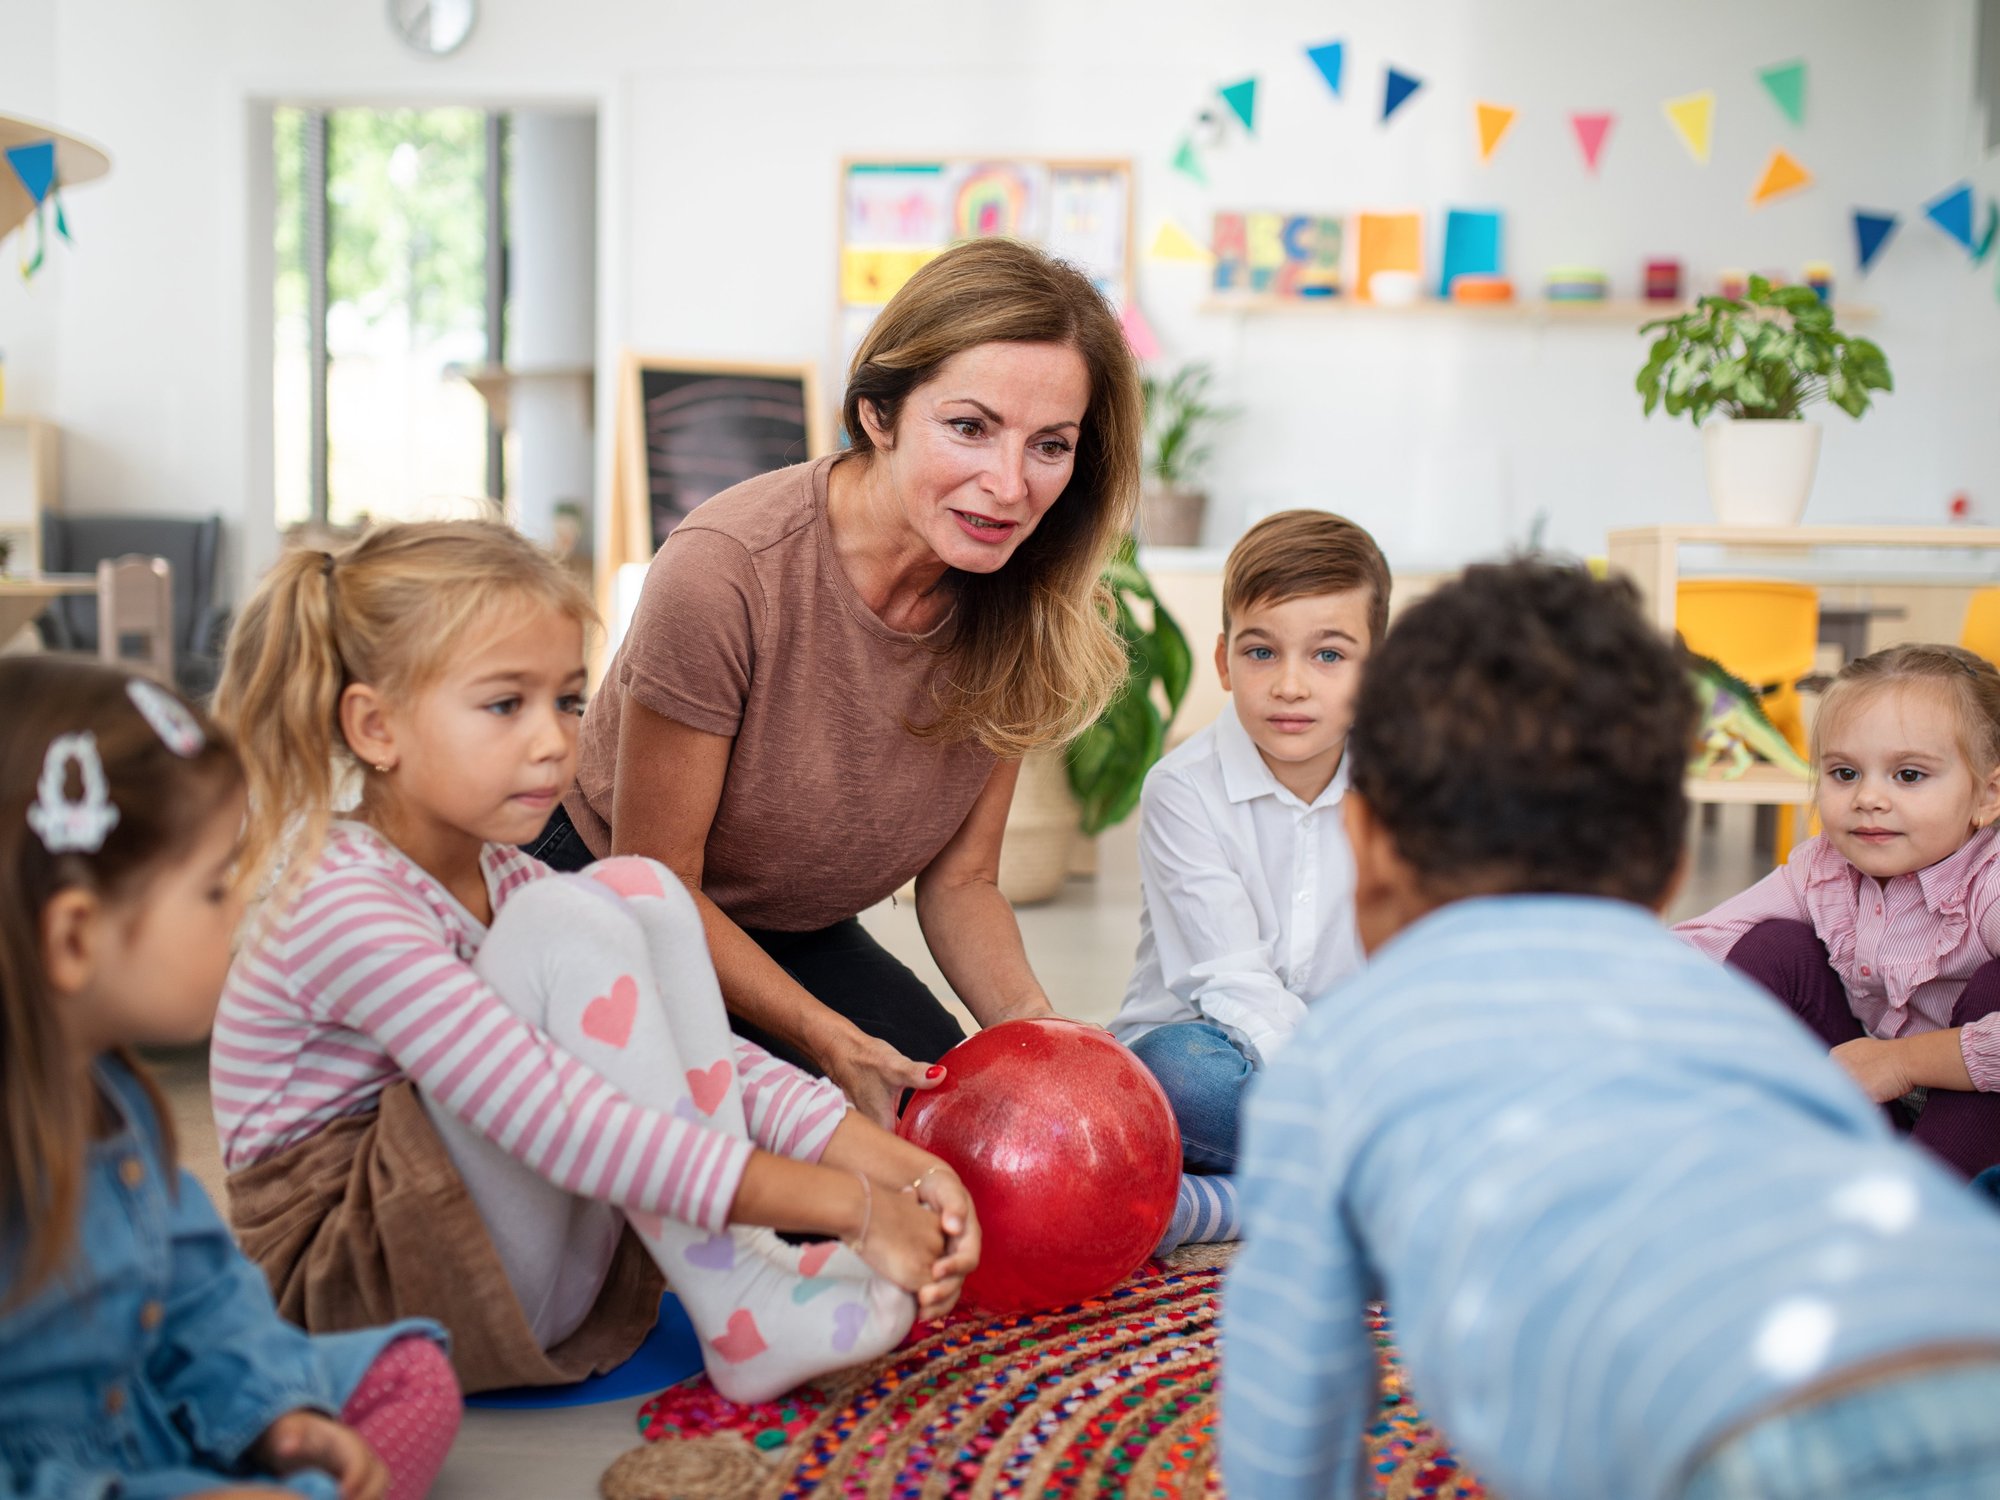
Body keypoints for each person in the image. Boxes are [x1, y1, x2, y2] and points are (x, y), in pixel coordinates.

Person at [1223, 562, 2000, 1500]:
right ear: (1674, 867)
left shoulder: (1339, 1056)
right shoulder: (1728, 1018)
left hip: (1735, 1445)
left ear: (1365, 843)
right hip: (1963, 1333)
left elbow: (1290, 1399)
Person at [208, 522, 979, 1402]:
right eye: (506, 704)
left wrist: (896, 1166)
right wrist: (848, 1206)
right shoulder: (342, 900)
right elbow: (562, 1120)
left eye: (569, 701)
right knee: (574, 916)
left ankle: (746, 1288)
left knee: (639, 890)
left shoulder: (504, 873)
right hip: (360, 1298)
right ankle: (743, 1290)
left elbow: (695, 1060)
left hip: (496, 1263)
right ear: (374, 727)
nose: (551, 742)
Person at [531, 238, 1142, 1126]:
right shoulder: (727, 570)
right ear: (879, 415)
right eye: (970, 427)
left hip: (792, 935)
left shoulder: (1024, 604)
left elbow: (964, 881)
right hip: (613, 901)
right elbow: (655, 878)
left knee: (963, 1131)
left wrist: (1035, 1032)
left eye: (1050, 445)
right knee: (797, 1172)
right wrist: (827, 1040)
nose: (1009, 485)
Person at [0, 658, 460, 1500]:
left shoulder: (114, 1101)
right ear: (73, 938)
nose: (242, 904)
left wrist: (271, 1412)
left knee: (412, 1372)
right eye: (215, 888)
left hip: (155, 1415)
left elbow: (200, 1289)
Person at [1108, 510, 1385, 1255]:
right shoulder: (1182, 790)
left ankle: (1231, 1204)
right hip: (1217, 1049)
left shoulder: (1405, 789)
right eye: (1263, 652)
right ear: (1226, 661)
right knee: (1181, 1078)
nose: (1290, 685)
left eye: (1328, 656)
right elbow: (1230, 979)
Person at [1677, 644, 2000, 1179]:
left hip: (1977, 1119)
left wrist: (1901, 1063)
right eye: (1845, 774)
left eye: (1909, 775)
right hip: (1876, 1099)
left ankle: (1925, 1218)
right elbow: (1701, 944)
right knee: (1772, 947)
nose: (1868, 798)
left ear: (1987, 797)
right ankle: (1716, 1139)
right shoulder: (1824, 869)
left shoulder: (1989, 882)